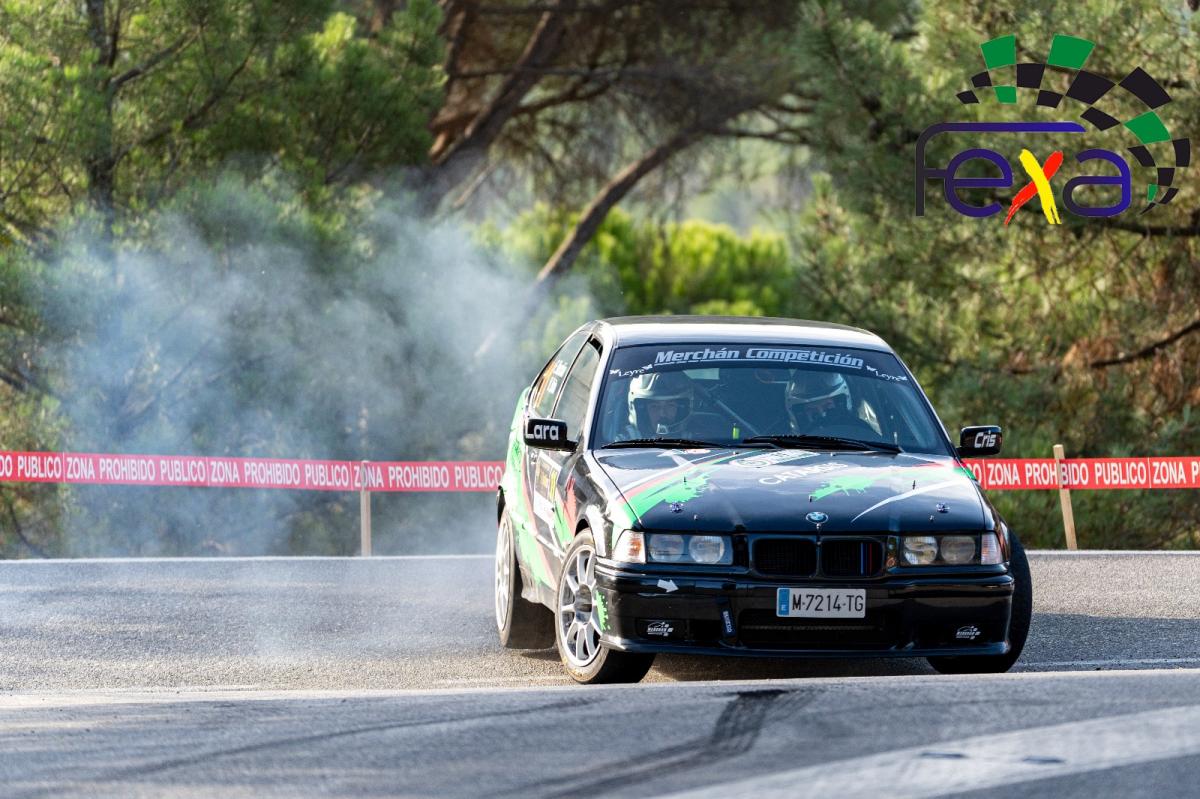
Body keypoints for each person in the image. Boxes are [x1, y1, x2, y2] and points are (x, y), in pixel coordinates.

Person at [784, 370, 876, 438]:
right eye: (813, 411)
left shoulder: (861, 432)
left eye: (828, 407)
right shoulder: (785, 445)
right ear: (800, 415)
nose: (822, 415)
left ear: (840, 403)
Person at [626, 371, 695, 437]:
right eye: (654, 406)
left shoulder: (697, 439)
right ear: (643, 411)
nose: (663, 413)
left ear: (681, 409)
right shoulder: (624, 443)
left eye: (670, 405)